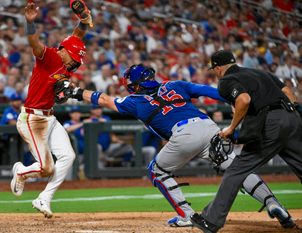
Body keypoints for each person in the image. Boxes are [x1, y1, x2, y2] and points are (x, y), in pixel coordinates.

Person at [64, 64, 292, 228]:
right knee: (237, 168)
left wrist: (75, 92)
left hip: (183, 134)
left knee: (157, 171)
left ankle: (187, 215)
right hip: (208, 126)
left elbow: (103, 99)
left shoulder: (135, 101)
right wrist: (240, 99)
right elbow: (212, 92)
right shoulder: (175, 84)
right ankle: (273, 203)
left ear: (134, 85)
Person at [190, 50, 300, 232]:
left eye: (214, 69)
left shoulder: (225, 81)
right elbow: (288, 91)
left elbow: (244, 99)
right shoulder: (259, 72)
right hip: (292, 118)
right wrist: (289, 115)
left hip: (271, 123)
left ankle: (211, 221)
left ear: (218, 68)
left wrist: (231, 129)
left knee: (236, 170)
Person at [10, 0, 93, 218]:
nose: (74, 66)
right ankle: (20, 171)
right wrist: (30, 23)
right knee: (46, 168)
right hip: (32, 119)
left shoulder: (69, 54)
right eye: (74, 61)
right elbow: (34, 43)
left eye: (77, 63)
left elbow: (78, 35)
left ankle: (44, 197)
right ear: (65, 51)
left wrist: (84, 20)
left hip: (50, 117)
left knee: (68, 156)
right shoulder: (50, 57)